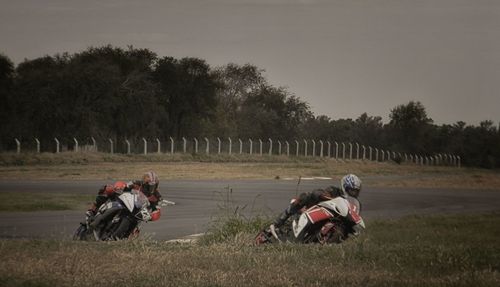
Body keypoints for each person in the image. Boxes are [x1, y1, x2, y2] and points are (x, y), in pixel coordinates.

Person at [269, 174, 362, 235]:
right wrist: (323, 195)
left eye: (356, 191)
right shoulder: (334, 191)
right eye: (351, 190)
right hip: (314, 211)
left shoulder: (354, 204)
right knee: (305, 196)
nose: (353, 194)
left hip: (332, 222)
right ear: (344, 187)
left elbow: (355, 219)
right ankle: (278, 222)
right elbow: (320, 193)